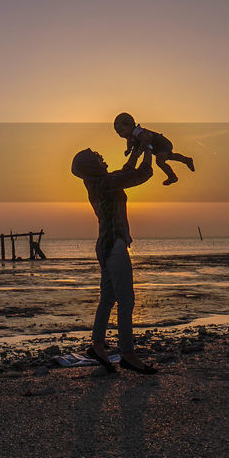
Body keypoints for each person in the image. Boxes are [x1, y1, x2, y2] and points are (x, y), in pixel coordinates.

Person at [70, 145, 158, 374]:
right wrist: (148, 149)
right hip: (115, 246)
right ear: (91, 167)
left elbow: (124, 171)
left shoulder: (99, 183)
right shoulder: (106, 184)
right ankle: (127, 353)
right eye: (98, 158)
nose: (102, 158)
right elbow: (141, 175)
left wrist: (137, 153)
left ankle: (97, 345)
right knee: (126, 300)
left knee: (107, 299)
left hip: (104, 245)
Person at [113, 112, 195, 186]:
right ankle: (186, 160)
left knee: (160, 161)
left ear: (130, 125)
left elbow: (145, 140)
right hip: (157, 148)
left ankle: (172, 176)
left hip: (161, 144)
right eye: (118, 132)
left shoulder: (137, 132)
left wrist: (140, 151)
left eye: (122, 130)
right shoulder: (130, 136)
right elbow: (130, 142)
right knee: (170, 156)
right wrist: (128, 150)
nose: (121, 134)